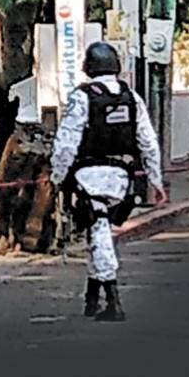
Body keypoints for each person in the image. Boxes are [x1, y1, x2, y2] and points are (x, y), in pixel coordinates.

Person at [50, 42, 167, 322]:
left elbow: (67, 143)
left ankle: (112, 298)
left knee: (99, 231)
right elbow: (148, 143)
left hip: (88, 177)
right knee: (97, 232)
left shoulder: (82, 97)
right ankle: (92, 297)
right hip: (121, 178)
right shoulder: (131, 97)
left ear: (89, 67)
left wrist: (56, 177)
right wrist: (156, 180)